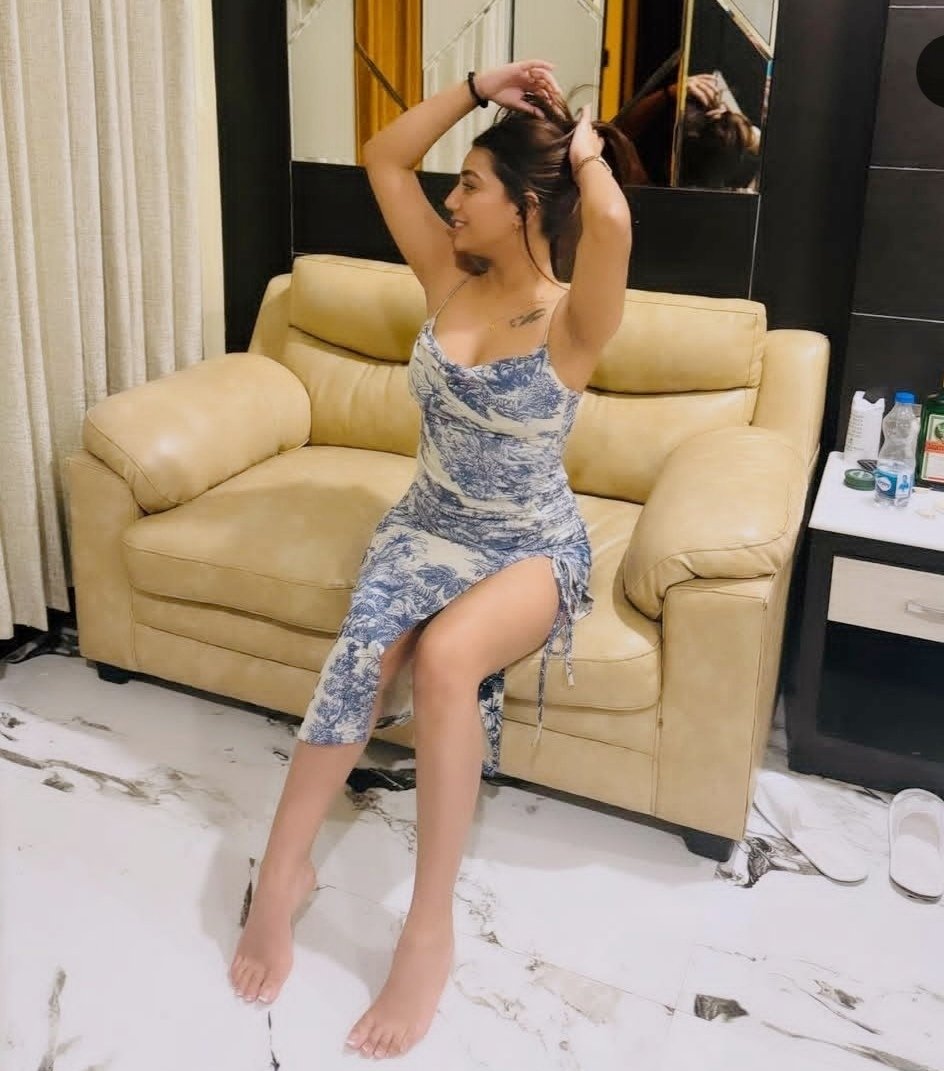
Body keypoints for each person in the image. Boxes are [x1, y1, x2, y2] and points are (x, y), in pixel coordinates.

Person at [228, 59, 633, 1060]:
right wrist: (477, 86)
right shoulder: (446, 273)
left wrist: (585, 152)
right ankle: (280, 878)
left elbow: (612, 226)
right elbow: (384, 157)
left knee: (449, 658)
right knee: (360, 657)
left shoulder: (573, 319)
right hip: (425, 520)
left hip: (527, 542)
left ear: (526, 205)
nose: (451, 200)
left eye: (472, 185)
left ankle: (427, 930)